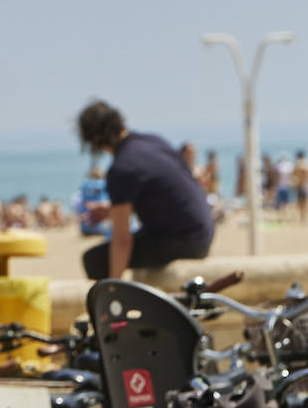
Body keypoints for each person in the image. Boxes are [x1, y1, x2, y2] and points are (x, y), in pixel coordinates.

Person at [76, 101, 214, 279]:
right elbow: (164, 195)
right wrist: (110, 212)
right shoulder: (154, 142)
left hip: (183, 241)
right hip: (203, 232)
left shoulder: (121, 168)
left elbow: (122, 240)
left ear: (94, 140)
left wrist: (113, 286)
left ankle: (117, 304)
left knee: (94, 259)